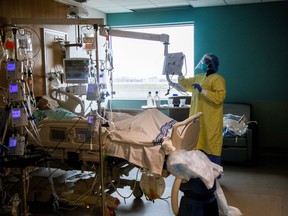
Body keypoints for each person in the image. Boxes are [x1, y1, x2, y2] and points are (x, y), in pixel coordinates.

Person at [177, 53, 226, 216]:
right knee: (197, 146)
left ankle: (212, 180)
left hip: (210, 121)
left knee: (209, 145)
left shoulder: (218, 79)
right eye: (203, 62)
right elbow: (186, 84)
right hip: (197, 120)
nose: (204, 64)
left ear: (212, 64)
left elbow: (220, 97)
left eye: (206, 62)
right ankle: (198, 178)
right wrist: (178, 74)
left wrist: (203, 91)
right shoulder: (199, 76)